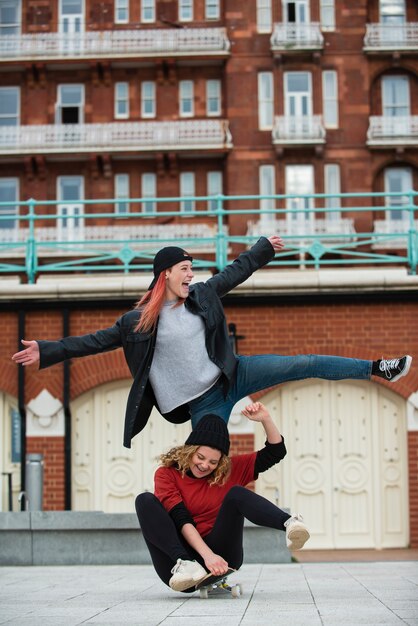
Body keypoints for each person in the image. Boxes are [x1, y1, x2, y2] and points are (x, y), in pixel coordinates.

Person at [12, 237, 412, 448]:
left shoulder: (203, 295)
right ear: (165, 274)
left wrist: (264, 249)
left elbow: (234, 273)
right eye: (185, 270)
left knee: (301, 362)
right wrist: (46, 350)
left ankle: (378, 368)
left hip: (232, 375)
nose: (191, 275)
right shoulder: (135, 323)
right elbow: (91, 342)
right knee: (206, 458)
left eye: (192, 269)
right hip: (203, 404)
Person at [135, 402, 309, 593]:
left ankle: (290, 523)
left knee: (235, 493)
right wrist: (207, 556)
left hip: (224, 556)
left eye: (213, 462)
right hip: (180, 567)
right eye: (200, 457)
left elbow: (275, 452)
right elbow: (180, 518)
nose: (204, 465)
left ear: (221, 462)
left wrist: (266, 419)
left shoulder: (229, 470)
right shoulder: (167, 474)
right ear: (189, 451)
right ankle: (186, 563)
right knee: (144, 500)